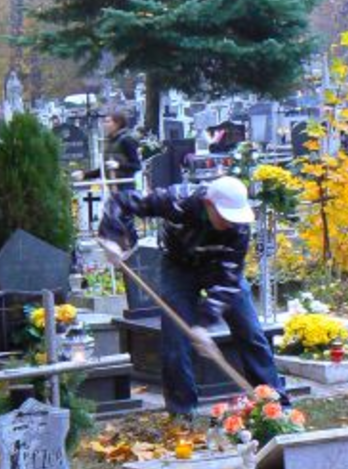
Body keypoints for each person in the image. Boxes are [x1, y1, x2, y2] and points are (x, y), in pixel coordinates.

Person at [97, 175, 286, 420]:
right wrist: (115, 239)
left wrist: (204, 324)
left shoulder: (238, 228)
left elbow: (228, 281)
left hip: (220, 270)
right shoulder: (177, 200)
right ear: (209, 204)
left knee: (250, 331)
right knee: (175, 341)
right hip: (179, 268)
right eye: (225, 215)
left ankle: (274, 406)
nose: (230, 222)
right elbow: (120, 201)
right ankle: (181, 413)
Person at [84, 111, 142, 186]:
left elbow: (136, 166)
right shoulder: (109, 142)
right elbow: (104, 169)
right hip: (112, 186)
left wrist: (119, 165)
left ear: (117, 124)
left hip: (126, 187)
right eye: (104, 122)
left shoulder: (127, 140)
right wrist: (85, 175)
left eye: (108, 122)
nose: (105, 125)